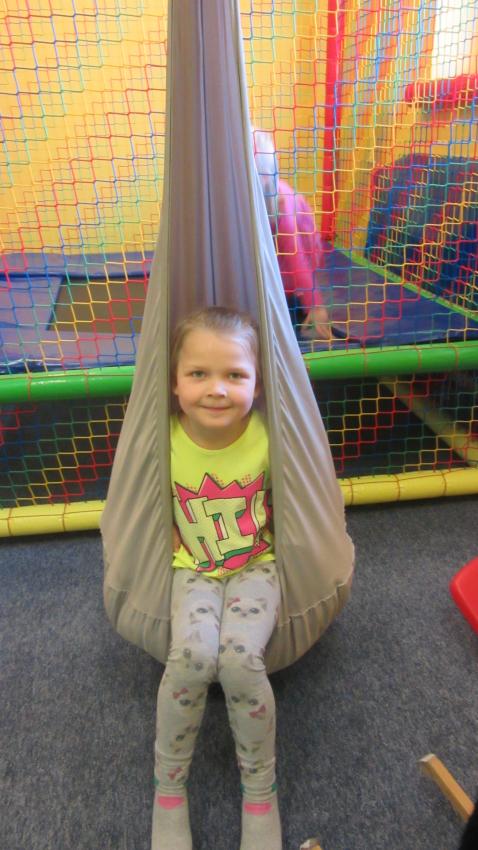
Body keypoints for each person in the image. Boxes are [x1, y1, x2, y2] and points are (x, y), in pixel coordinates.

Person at [152, 306, 282, 850]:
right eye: (198, 374)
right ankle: (168, 792)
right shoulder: (161, 439)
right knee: (191, 658)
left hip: (257, 564)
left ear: (257, 384)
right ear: (175, 384)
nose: (217, 389)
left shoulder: (271, 438)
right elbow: (141, 500)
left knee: (238, 661)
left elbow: (302, 499)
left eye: (235, 374)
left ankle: (260, 794)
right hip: (193, 569)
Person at [253, 127, 331, 340]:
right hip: (272, 241)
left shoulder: (279, 202)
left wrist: (315, 305)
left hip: (300, 239)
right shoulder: (242, 197)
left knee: (286, 279)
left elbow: (296, 256)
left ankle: (297, 301)